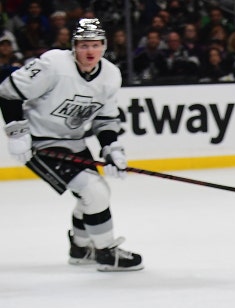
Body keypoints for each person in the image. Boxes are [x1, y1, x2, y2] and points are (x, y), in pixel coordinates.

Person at [0, 18, 143, 272]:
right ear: (73, 46)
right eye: (84, 45)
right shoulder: (54, 64)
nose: (90, 52)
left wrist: (111, 148)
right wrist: (16, 131)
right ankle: (106, 252)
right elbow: (7, 91)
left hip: (74, 142)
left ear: (104, 46)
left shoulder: (110, 74)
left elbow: (105, 118)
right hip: (40, 142)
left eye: (96, 45)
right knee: (94, 192)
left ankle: (80, 247)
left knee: (96, 194)